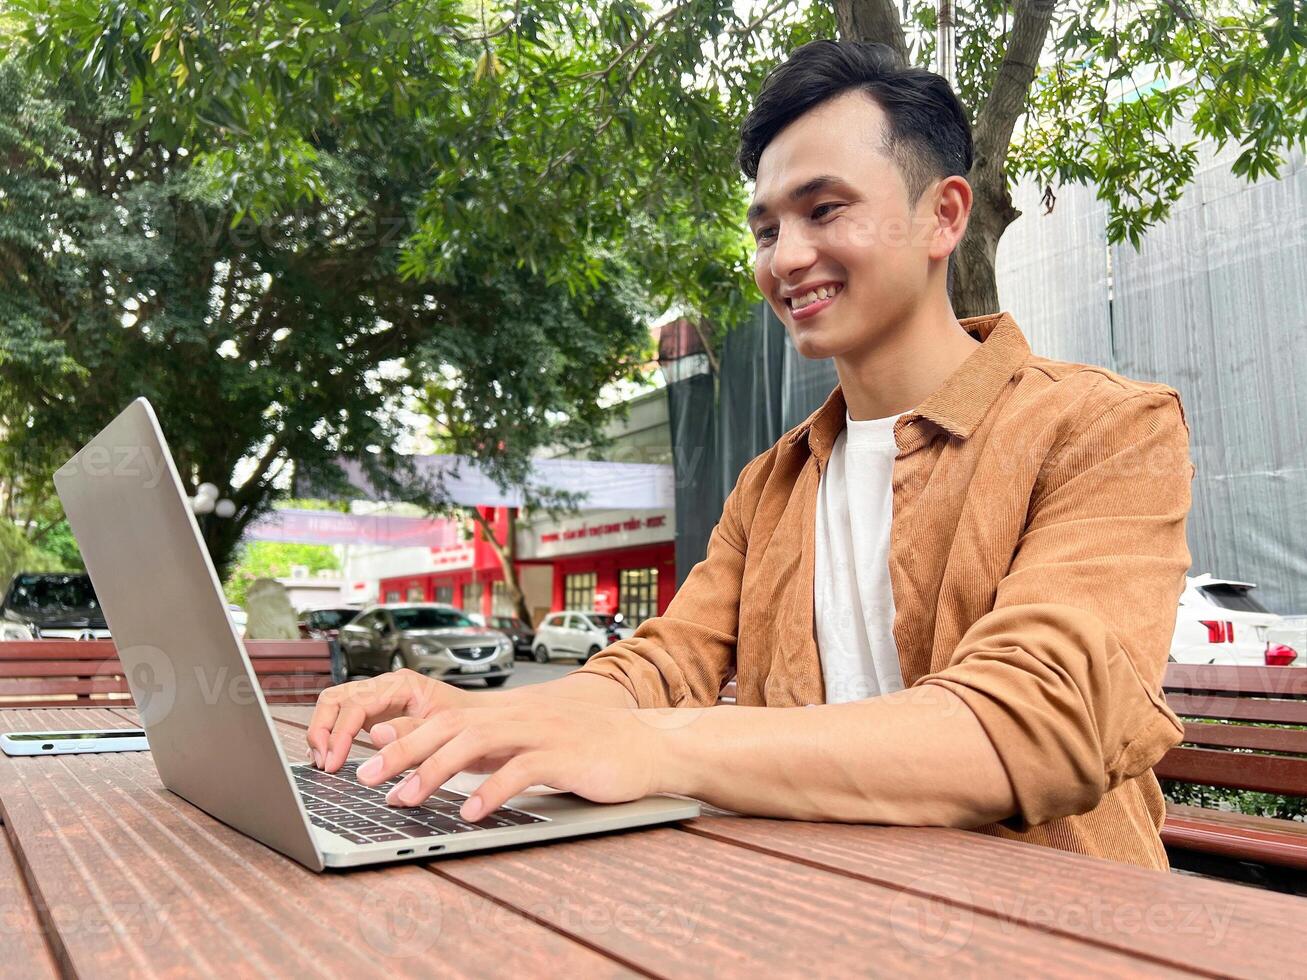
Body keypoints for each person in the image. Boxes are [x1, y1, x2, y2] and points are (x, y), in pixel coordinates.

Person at [307, 40, 1194, 869]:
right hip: (812, 904)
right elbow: (660, 667)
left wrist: (659, 748)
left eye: (824, 209)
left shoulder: (1107, 429)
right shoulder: (772, 483)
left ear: (943, 216)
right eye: (766, 229)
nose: (787, 257)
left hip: (1053, 927)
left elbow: (1037, 723)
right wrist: (471, 712)